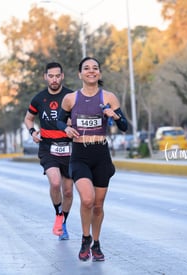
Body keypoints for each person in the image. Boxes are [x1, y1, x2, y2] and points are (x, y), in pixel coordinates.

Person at [57, 57, 128, 262]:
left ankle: (96, 244)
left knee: (98, 205)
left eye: (95, 68)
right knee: (87, 199)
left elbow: (124, 126)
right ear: (80, 74)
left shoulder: (109, 97)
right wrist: (67, 128)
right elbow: (60, 120)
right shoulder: (71, 99)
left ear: (99, 73)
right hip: (80, 154)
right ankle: (85, 238)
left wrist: (113, 115)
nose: (91, 71)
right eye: (86, 68)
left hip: (101, 155)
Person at [24, 62, 74, 241]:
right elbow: (29, 118)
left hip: (69, 148)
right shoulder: (39, 98)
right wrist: (32, 132)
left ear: (62, 77)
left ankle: (63, 223)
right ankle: (58, 214)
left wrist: (72, 124)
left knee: (68, 191)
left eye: (57, 76)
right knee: (55, 183)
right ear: (45, 77)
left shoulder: (71, 96)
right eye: (50, 76)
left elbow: (78, 117)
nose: (54, 79)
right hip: (48, 148)